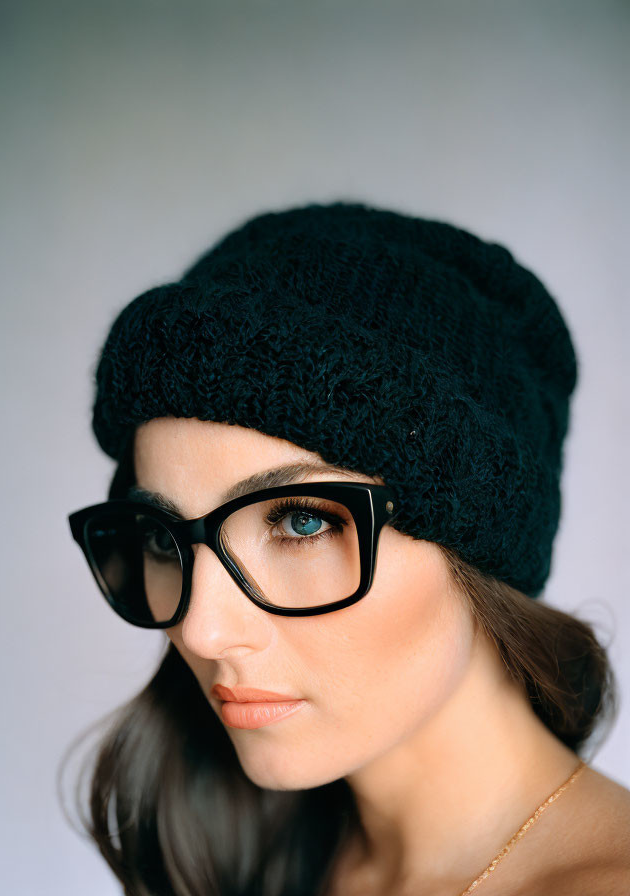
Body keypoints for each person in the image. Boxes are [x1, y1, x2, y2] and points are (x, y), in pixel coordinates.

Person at [64, 202, 630, 896]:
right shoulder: (256, 862)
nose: (203, 630)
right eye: (162, 536)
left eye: (300, 523)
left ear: (477, 547)